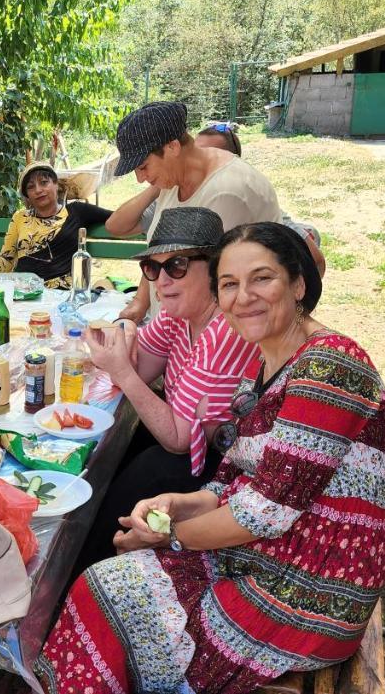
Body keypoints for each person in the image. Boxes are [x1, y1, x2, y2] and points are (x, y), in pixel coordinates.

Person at [35, 221, 385, 694]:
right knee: (103, 583)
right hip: (275, 553)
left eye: (261, 278)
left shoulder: (329, 368)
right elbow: (242, 481)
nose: (244, 296)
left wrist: (169, 538)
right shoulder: (266, 360)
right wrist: (178, 504)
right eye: (230, 284)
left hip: (312, 589)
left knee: (108, 593)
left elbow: (261, 513)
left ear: (299, 284)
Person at [75, 208, 256, 570]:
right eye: (152, 268)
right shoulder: (181, 314)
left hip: (217, 467)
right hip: (191, 444)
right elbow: (143, 365)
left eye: (177, 265)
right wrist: (123, 333)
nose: (162, 281)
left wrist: (121, 370)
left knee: (137, 471)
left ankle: (90, 570)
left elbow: (179, 439)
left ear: (215, 269)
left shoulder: (222, 331)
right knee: (110, 455)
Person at [104, 101, 283, 323]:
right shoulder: (176, 178)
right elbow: (162, 255)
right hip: (175, 327)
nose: (140, 178)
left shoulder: (227, 192)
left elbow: (207, 291)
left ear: (172, 148)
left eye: (143, 167)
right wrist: (140, 303)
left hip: (218, 335)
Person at [195, 121, 326, 275]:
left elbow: (317, 261)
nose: (197, 162)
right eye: (195, 153)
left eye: (210, 155)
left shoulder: (256, 206)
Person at [0, 161, 112, 289]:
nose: (38, 190)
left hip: (63, 294)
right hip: (24, 292)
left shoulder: (77, 212)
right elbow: (6, 258)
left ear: (56, 184)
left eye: (44, 182)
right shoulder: (20, 217)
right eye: (31, 187)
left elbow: (117, 217)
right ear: (27, 196)